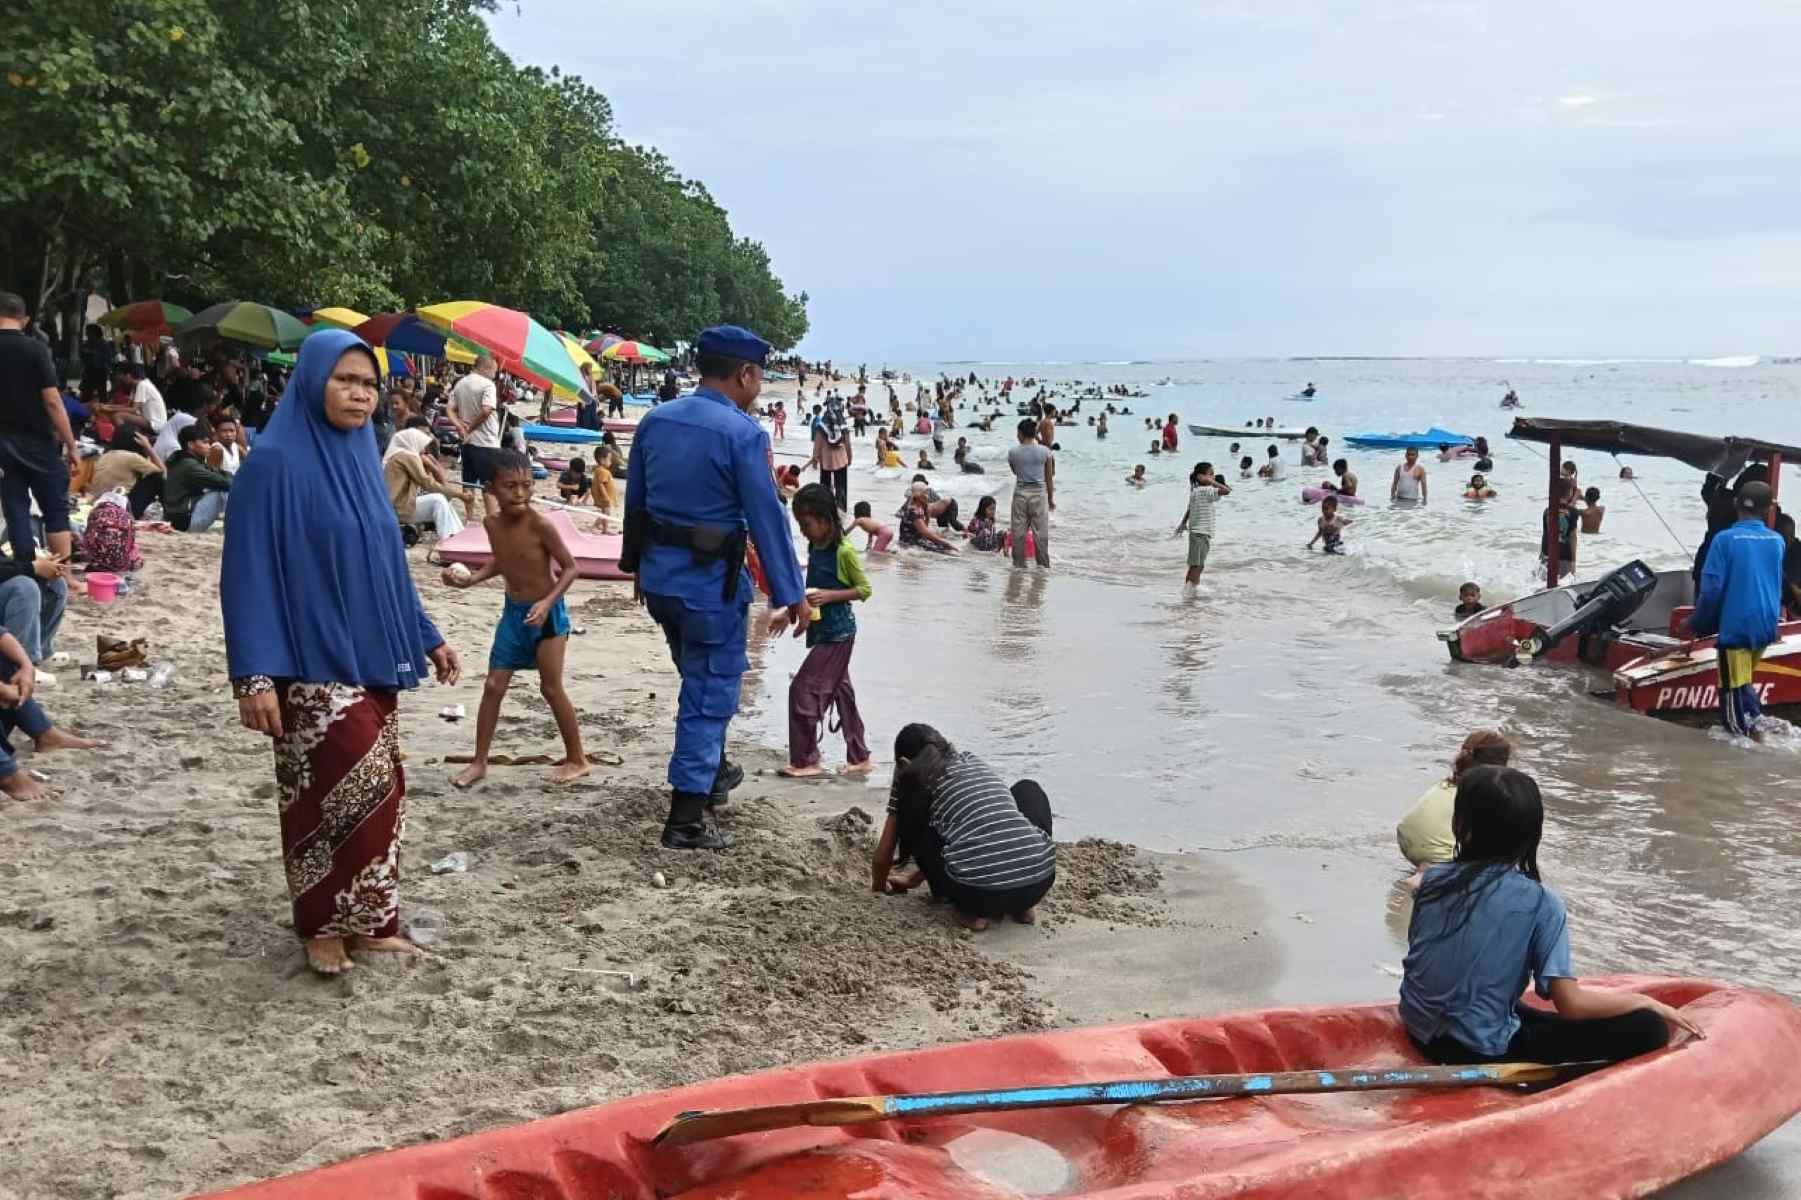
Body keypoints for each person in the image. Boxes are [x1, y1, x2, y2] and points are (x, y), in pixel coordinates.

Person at [222, 328, 461, 977]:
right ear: (311, 382)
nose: (359, 395)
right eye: (345, 380)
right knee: (323, 798)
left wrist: (426, 633)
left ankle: (374, 921)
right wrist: (253, 676)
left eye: (368, 384)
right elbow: (246, 574)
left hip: (370, 658)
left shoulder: (362, 458)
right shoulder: (272, 465)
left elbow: (382, 564)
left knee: (381, 793)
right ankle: (321, 925)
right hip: (304, 664)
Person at [621, 325, 807, 850]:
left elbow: (636, 502)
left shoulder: (655, 421)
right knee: (709, 691)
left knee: (697, 673)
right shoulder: (744, 435)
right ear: (745, 374)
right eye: (759, 375)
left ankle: (715, 772)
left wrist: (635, 566)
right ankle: (686, 820)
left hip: (660, 581)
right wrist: (792, 593)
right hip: (710, 586)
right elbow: (766, 518)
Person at [1401, 765, 1701, 1065]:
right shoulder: (1541, 903)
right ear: (1532, 837)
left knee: (1518, 1009)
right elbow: (1570, 1004)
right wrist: (1643, 1001)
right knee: (1648, 1027)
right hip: (1477, 1050)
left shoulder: (1430, 880)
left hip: (1416, 1028)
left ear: (1457, 825)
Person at [441, 450, 589, 788]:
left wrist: (549, 602)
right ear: (491, 488)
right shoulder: (492, 524)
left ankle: (577, 758)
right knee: (493, 686)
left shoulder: (540, 524)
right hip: (513, 613)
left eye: (526, 485)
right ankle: (479, 762)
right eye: (510, 486)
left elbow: (570, 568)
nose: (520, 493)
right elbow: (501, 560)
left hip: (548, 616)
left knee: (551, 688)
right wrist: (471, 579)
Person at [871, 724, 1056, 931]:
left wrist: (879, 887)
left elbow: (884, 855)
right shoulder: (971, 760)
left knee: (918, 814)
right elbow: (978, 826)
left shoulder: (917, 779)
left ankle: (968, 913)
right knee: (1027, 789)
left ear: (904, 763)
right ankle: (1023, 907)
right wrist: (914, 879)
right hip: (1040, 881)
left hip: (976, 895)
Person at [778, 484, 873, 779]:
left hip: (839, 635)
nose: (804, 531)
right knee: (842, 694)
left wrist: (831, 596)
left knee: (803, 690)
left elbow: (865, 590)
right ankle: (860, 757)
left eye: (807, 525)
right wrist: (792, 613)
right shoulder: (814, 547)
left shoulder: (844, 551)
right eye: (800, 526)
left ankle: (806, 760)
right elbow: (809, 591)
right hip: (822, 632)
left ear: (825, 519)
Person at [1688, 481, 1784, 740]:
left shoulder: (1724, 540)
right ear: (1767, 509)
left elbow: (1711, 591)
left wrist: (1696, 623)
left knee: (1731, 702)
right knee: (1742, 682)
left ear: (1735, 503)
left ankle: (1746, 748)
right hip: (1766, 625)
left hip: (1737, 627)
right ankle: (1761, 731)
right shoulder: (1777, 542)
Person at [0, 293, 79, 565]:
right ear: (25, 319)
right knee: (55, 507)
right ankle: (63, 576)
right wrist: (71, 445)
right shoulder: (35, 349)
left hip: (2, 444)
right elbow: (53, 401)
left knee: (16, 507)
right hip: (35, 441)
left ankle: (28, 568)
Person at [1396, 729, 1510, 871]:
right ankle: (1429, 872)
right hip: (1436, 853)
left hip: (1407, 840)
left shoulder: (1447, 784)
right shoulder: (1482, 793)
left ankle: (1428, 868)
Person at [384, 422, 468, 539]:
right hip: (398, 508)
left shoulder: (398, 455)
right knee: (438, 500)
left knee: (440, 500)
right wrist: (458, 494)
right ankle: (449, 538)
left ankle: (458, 535)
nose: (424, 448)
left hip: (395, 506)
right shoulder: (407, 456)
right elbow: (427, 483)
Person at [448, 354, 501, 508]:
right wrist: (470, 428)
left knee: (468, 482)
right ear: (487, 368)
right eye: (494, 371)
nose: (494, 375)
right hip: (486, 442)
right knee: (489, 485)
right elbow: (486, 410)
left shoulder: (460, 383)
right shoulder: (488, 385)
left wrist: (459, 425)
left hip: (467, 441)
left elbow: (449, 409)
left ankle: (469, 518)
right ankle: (492, 518)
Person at [163, 424, 233, 533]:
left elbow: (219, 475)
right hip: (185, 522)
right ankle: (236, 529)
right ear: (191, 445)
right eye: (205, 442)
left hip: (180, 517)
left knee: (223, 487)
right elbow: (226, 483)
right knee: (222, 491)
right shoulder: (189, 465)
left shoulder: (185, 459)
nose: (209, 446)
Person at [87, 424, 166, 517]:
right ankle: (171, 513)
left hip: (99, 503)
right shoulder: (132, 457)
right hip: (120, 507)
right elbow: (163, 472)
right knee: (157, 477)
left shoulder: (106, 455)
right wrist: (148, 447)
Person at [1007, 417, 1054, 568]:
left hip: (1020, 494)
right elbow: (1049, 478)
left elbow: (1015, 471)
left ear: (1021, 433)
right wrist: (1051, 499)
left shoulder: (1013, 452)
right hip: (1039, 495)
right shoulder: (1046, 452)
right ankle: (1043, 568)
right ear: (1034, 434)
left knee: (1018, 534)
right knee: (1041, 535)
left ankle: (1019, 567)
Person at [1174, 461, 1230, 583]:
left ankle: (1191, 589)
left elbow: (1190, 508)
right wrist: (1212, 482)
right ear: (1202, 476)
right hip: (1200, 533)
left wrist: (1183, 523)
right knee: (1197, 566)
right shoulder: (1205, 491)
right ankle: (1190, 590)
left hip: (1201, 533)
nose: (1213, 477)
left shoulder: (1197, 491)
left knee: (1198, 565)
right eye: (1211, 474)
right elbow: (1227, 491)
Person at [809, 391, 853, 511]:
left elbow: (817, 444)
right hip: (841, 460)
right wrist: (850, 457)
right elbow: (847, 443)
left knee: (825, 485)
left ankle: (825, 508)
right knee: (841, 486)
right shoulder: (843, 424)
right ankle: (841, 509)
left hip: (825, 460)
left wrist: (815, 459)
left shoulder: (822, 425)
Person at [897, 487, 957, 553]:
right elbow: (926, 533)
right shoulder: (915, 511)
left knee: (942, 547)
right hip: (911, 543)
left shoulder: (915, 508)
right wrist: (946, 543)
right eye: (925, 494)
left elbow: (924, 531)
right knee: (948, 551)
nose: (927, 497)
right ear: (918, 497)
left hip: (907, 540)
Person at [1541, 479, 1579, 575]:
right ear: (1569, 492)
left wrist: (1541, 555)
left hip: (1547, 553)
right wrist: (1573, 561)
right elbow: (1573, 537)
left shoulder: (1547, 511)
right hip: (1564, 556)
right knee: (1562, 584)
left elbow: (1545, 535)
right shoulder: (1573, 512)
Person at [592, 431, 627, 515]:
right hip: (615, 471)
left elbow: (618, 460)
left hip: (614, 471)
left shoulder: (607, 450)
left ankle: (600, 526)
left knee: (605, 513)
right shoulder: (614, 448)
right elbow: (601, 485)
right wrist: (606, 497)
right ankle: (601, 526)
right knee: (606, 513)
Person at [131, 363, 168, 434]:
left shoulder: (142, 384)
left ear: (128, 375)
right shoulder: (145, 383)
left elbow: (134, 409)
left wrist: (110, 409)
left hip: (155, 424)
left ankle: (126, 440)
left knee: (119, 415)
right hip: (154, 422)